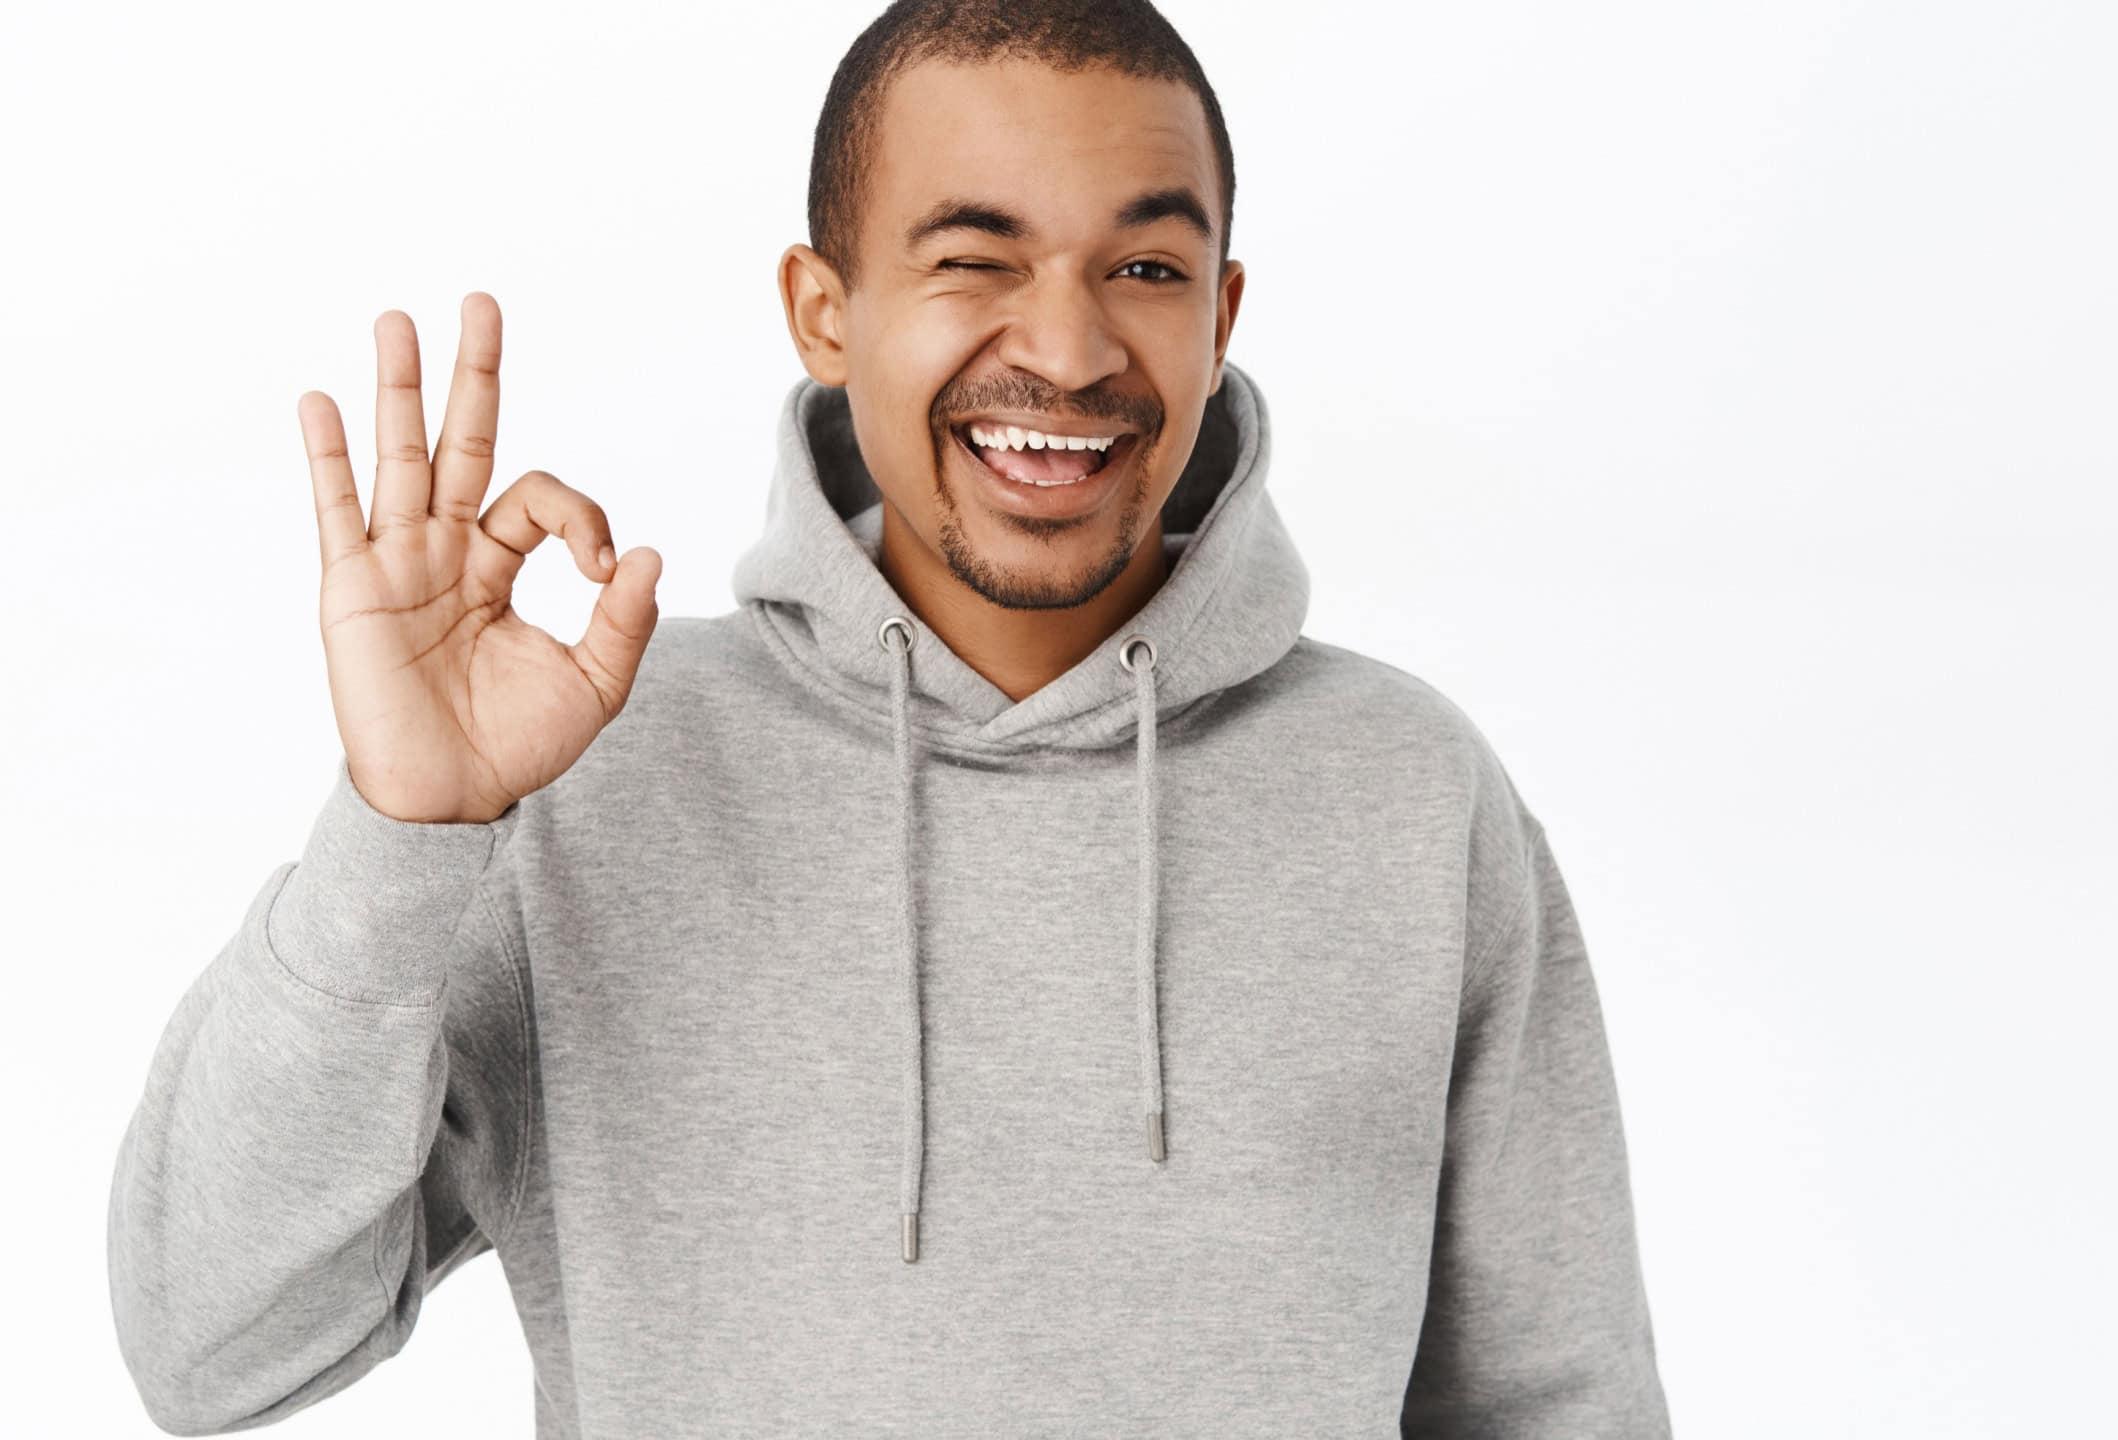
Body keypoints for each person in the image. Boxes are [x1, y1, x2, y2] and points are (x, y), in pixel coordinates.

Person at [104, 1, 1674, 1434]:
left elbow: (1561, 1401)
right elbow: (213, 1343)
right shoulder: (600, 778)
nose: (1064, 352)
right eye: (974, 258)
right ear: (825, 310)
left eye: (1143, 267)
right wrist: (401, 836)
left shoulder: (1410, 795)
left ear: (1221, 310)